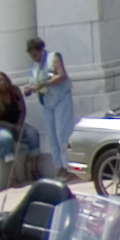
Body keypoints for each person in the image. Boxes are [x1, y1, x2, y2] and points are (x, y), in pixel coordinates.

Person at [26, 38, 75, 179]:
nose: (34, 58)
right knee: (52, 135)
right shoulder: (34, 67)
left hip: (61, 99)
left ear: (41, 50)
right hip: (46, 102)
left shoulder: (54, 57)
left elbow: (62, 75)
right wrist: (29, 89)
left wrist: (45, 83)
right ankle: (58, 167)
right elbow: (33, 82)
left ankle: (67, 166)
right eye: (31, 56)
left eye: (35, 54)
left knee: (62, 133)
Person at [0, 69, 29, 178]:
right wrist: (14, 128)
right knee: (6, 138)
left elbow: (23, 110)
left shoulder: (15, 91)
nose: (3, 83)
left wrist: (19, 126)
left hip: (16, 124)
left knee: (33, 134)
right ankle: (12, 176)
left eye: (4, 80)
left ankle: (33, 171)